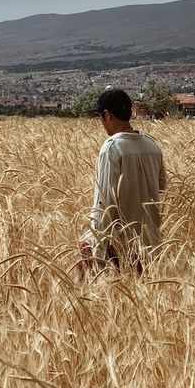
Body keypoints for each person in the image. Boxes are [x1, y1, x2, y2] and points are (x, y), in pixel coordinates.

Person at [77, 88, 166, 277]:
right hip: (151, 242)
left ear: (107, 115)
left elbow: (105, 203)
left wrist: (97, 247)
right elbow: (161, 188)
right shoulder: (152, 145)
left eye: (100, 118)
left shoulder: (111, 148)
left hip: (119, 243)